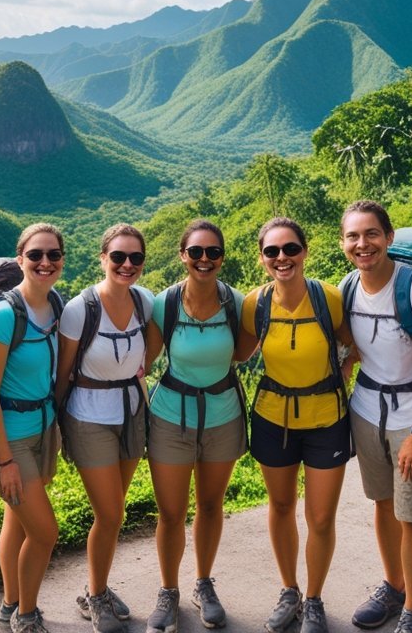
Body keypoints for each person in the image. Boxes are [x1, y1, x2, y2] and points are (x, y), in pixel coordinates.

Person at [340, 202, 412, 633]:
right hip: (367, 411)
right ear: (343, 243)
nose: (362, 244)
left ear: (388, 237)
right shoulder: (349, 286)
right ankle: (393, 586)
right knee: (383, 504)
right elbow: (352, 348)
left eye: (371, 234)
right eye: (353, 236)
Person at [239, 217, 354, 633]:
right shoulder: (256, 303)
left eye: (290, 249)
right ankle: (289, 591)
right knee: (282, 506)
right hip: (272, 417)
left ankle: (315, 599)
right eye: (272, 251)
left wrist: (342, 373)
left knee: (321, 517)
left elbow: (352, 344)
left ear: (305, 250)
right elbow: (235, 352)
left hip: (327, 419)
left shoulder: (329, 298)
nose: (282, 258)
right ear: (262, 259)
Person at [143, 220, 247, 633]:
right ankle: (168, 591)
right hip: (170, 416)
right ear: (183, 255)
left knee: (209, 505)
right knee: (170, 513)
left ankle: (204, 584)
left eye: (213, 252)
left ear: (222, 257)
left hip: (222, 416)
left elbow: (242, 352)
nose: (205, 260)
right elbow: (145, 362)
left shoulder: (237, 303)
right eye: (197, 252)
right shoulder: (162, 305)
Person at [56, 224, 157, 633]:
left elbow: (151, 349)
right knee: (110, 511)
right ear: (103, 259)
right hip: (88, 415)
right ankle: (95, 596)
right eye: (118, 257)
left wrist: (142, 372)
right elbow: (63, 375)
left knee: (114, 514)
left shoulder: (145, 301)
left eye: (135, 258)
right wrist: (59, 427)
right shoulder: (81, 309)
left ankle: (95, 587)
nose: (126, 265)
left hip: (132, 410)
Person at [0, 223, 67, 633]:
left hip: (42, 430)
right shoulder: (3, 315)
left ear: (62, 260)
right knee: (45, 532)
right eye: (35, 255)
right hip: (11, 437)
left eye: (52, 255)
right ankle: (27, 616)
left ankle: (9, 605)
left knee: (17, 521)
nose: (45, 262)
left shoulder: (56, 306)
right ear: (20, 259)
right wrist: (5, 460)